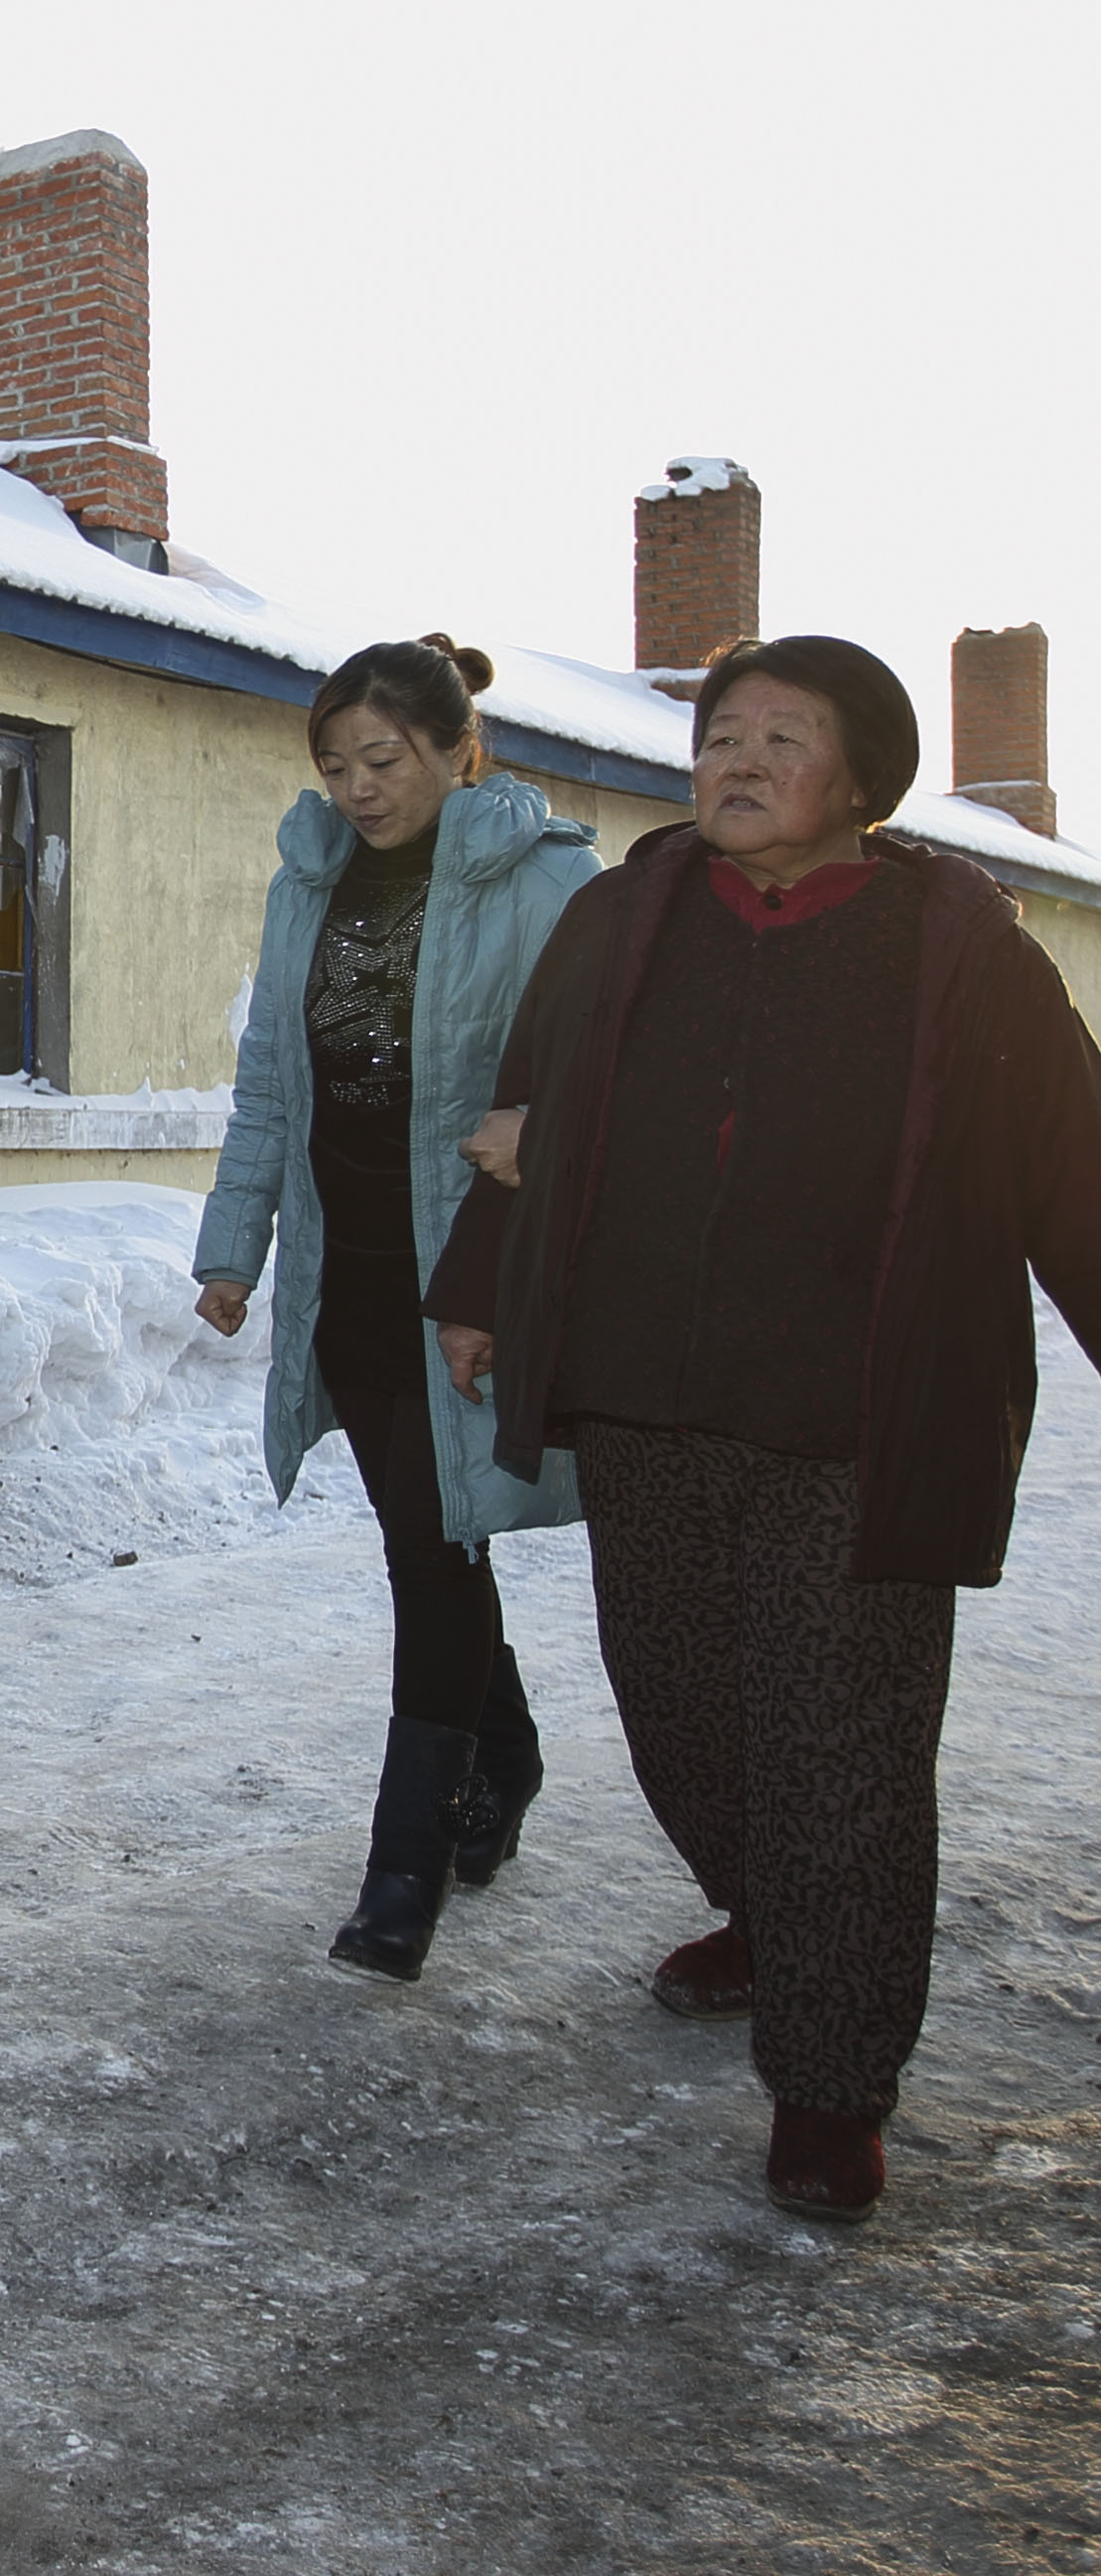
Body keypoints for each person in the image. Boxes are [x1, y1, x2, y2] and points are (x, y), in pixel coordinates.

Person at [426, 637, 1101, 2220]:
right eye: (719, 734)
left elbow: (1073, 1170)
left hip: (854, 1417)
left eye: (778, 740)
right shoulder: (622, 916)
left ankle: (828, 2079)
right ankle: (783, 1921)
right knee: (680, 1711)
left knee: (841, 1746)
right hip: (647, 1398)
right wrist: (477, 1286)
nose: (732, 762)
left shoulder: (958, 948)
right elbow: (527, 1116)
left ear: (859, 782)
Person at [192, 636, 599, 1981]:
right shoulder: (303, 883)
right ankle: (508, 1753)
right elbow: (268, 1078)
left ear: (452, 753)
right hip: (344, 1267)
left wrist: (531, 1133)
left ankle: (401, 1870)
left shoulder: (541, 883)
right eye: (334, 765)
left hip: (469, 1266)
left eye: (383, 760)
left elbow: (598, 1069)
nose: (358, 789)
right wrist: (233, 1244)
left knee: (433, 1552)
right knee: (425, 1538)